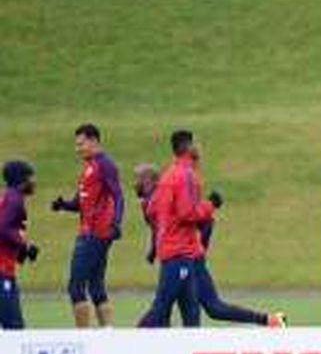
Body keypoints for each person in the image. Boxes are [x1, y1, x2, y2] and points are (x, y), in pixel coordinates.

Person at [134, 163, 286, 328]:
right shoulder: (147, 204)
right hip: (177, 260)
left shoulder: (169, 197)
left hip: (187, 260)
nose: (135, 183)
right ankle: (269, 320)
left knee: (179, 309)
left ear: (151, 181)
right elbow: (159, 228)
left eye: (139, 179)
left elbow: (207, 222)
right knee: (190, 311)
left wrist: (198, 252)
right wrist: (153, 250)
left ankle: (129, 342)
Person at [137, 130, 218, 328]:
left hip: (180, 255)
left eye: (139, 178)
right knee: (162, 309)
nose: (136, 183)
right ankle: (126, 344)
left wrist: (154, 249)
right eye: (195, 143)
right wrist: (211, 205)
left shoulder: (171, 176)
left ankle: (180, 353)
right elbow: (186, 214)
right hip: (179, 255)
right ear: (188, 147)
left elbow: (162, 220)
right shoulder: (184, 175)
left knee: (187, 313)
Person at [52, 124, 124, 328]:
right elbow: (80, 203)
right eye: (76, 145)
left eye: (81, 144)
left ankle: (83, 339)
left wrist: (116, 223)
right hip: (91, 233)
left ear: (94, 141)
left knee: (75, 288)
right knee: (96, 288)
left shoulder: (105, 164)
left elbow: (118, 195)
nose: (78, 148)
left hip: (94, 234)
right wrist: (63, 205)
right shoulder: (89, 167)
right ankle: (107, 336)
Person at [0, 161, 39, 329]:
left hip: (6, 269)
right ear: (21, 180)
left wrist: (22, 250)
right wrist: (25, 245)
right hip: (2, 271)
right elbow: (2, 227)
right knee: (14, 327)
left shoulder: (9, 196)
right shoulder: (15, 199)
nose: (34, 181)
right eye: (31, 177)